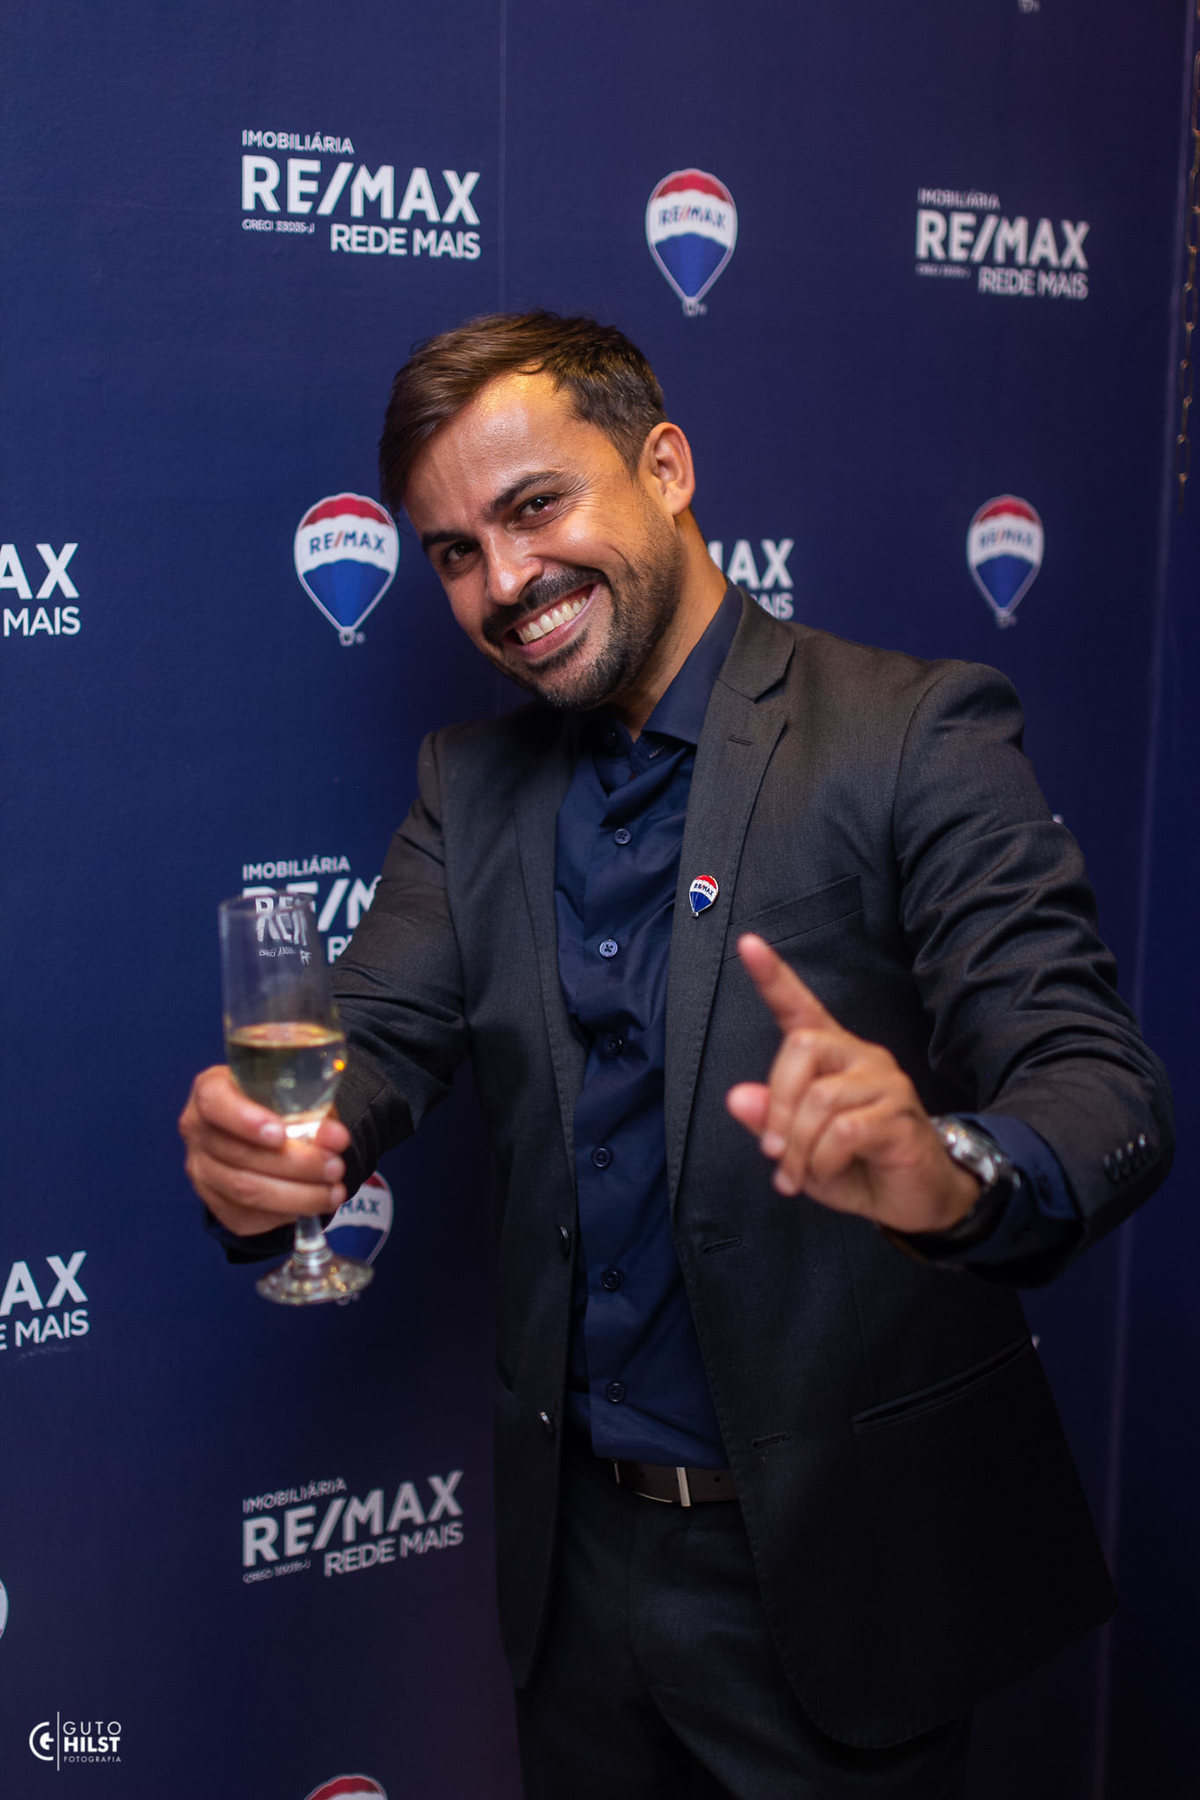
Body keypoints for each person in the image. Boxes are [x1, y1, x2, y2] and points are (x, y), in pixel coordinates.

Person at [181, 313, 1172, 1798]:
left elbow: (1102, 1089)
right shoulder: (468, 785)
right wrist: (268, 1160)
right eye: (454, 552)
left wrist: (947, 1169)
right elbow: (366, 1045)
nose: (504, 583)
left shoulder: (912, 731)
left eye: (536, 507)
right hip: (577, 1585)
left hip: (842, 1577)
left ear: (665, 466)